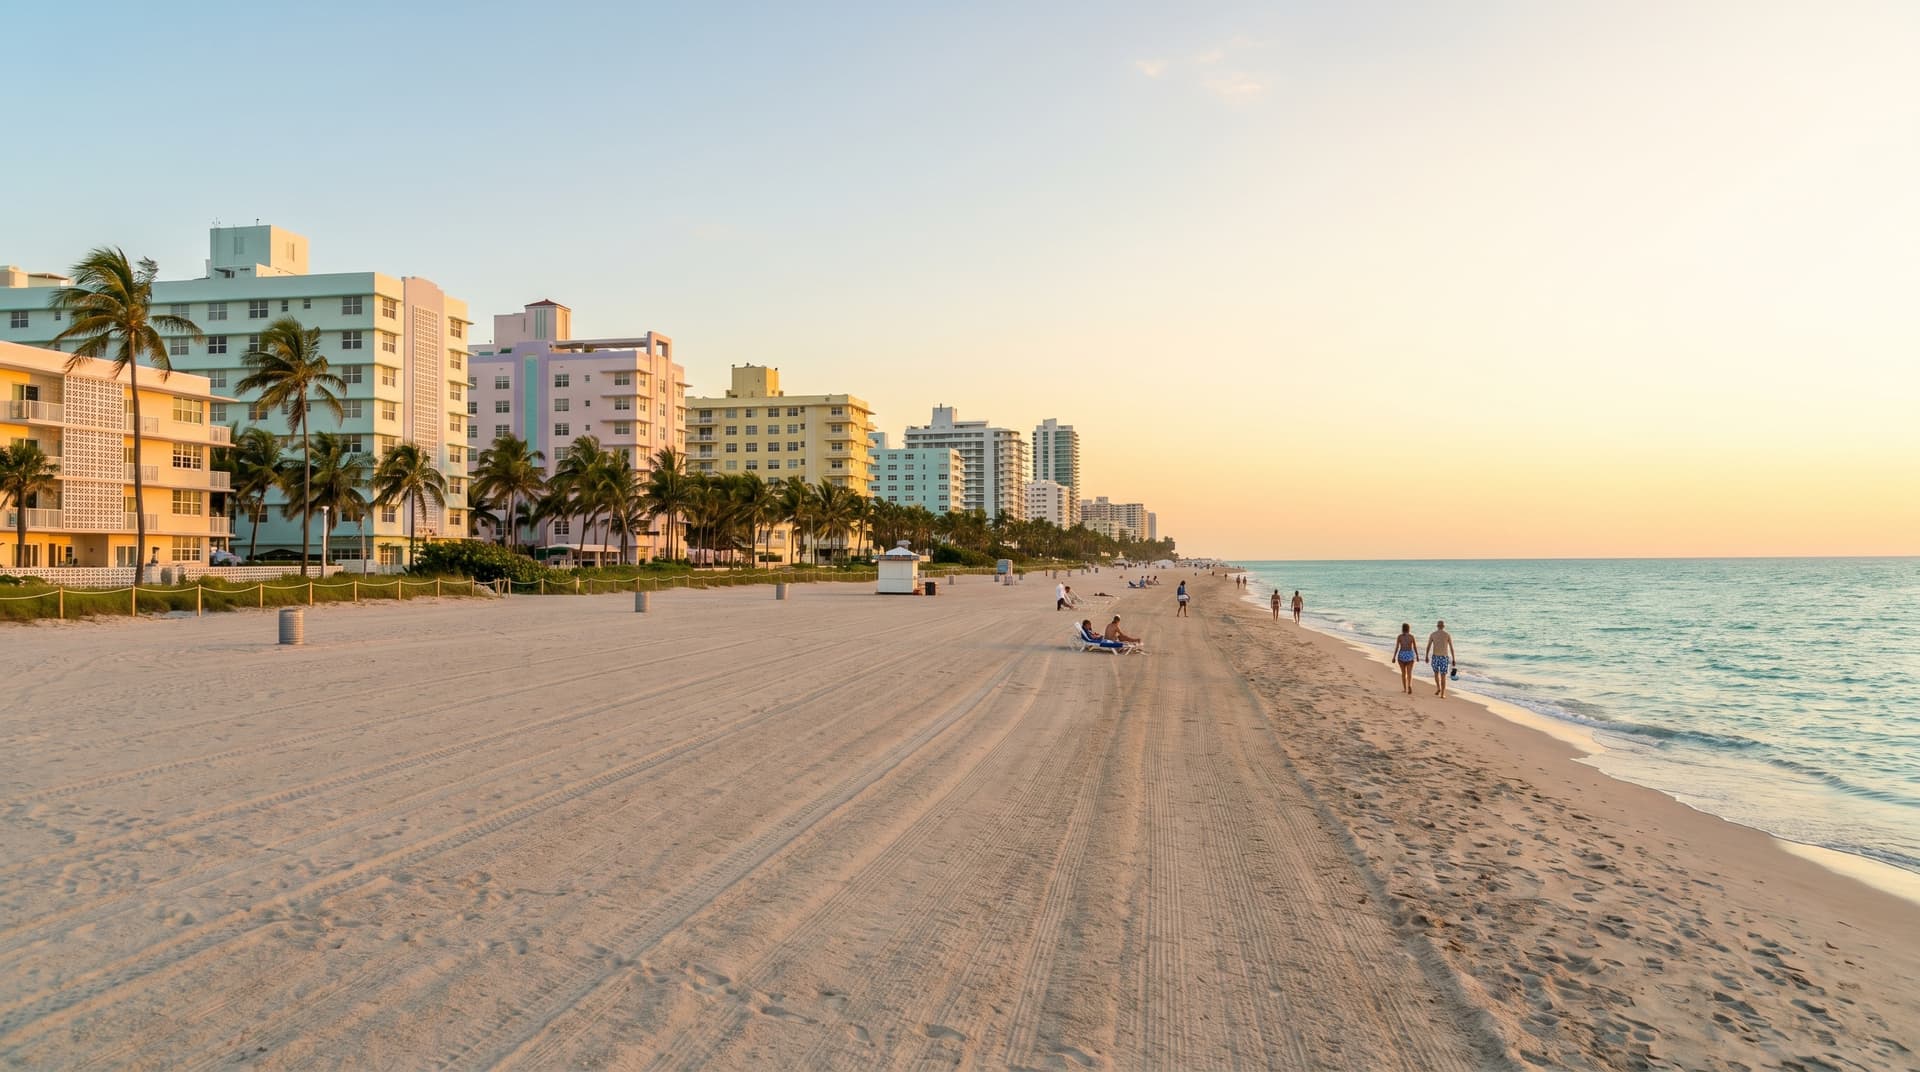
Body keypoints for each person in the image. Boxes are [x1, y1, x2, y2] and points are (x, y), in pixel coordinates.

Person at [1427, 620, 1457, 698]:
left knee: (1436, 674)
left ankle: (1438, 688)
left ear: (1437, 626)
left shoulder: (1433, 634)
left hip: (1435, 657)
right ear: (1443, 626)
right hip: (1444, 657)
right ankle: (1442, 694)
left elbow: (1428, 646)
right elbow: (1451, 648)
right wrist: (1453, 659)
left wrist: (1426, 656)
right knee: (1443, 676)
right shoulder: (1447, 635)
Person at [1393, 623, 1419, 695]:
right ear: (1409, 629)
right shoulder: (1411, 637)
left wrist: (1394, 657)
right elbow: (1415, 647)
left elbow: (1397, 647)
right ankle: (1409, 685)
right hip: (1409, 655)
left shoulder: (1400, 637)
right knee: (1409, 673)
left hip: (1402, 655)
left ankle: (1405, 689)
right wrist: (1417, 655)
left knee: (1403, 673)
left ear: (1402, 629)